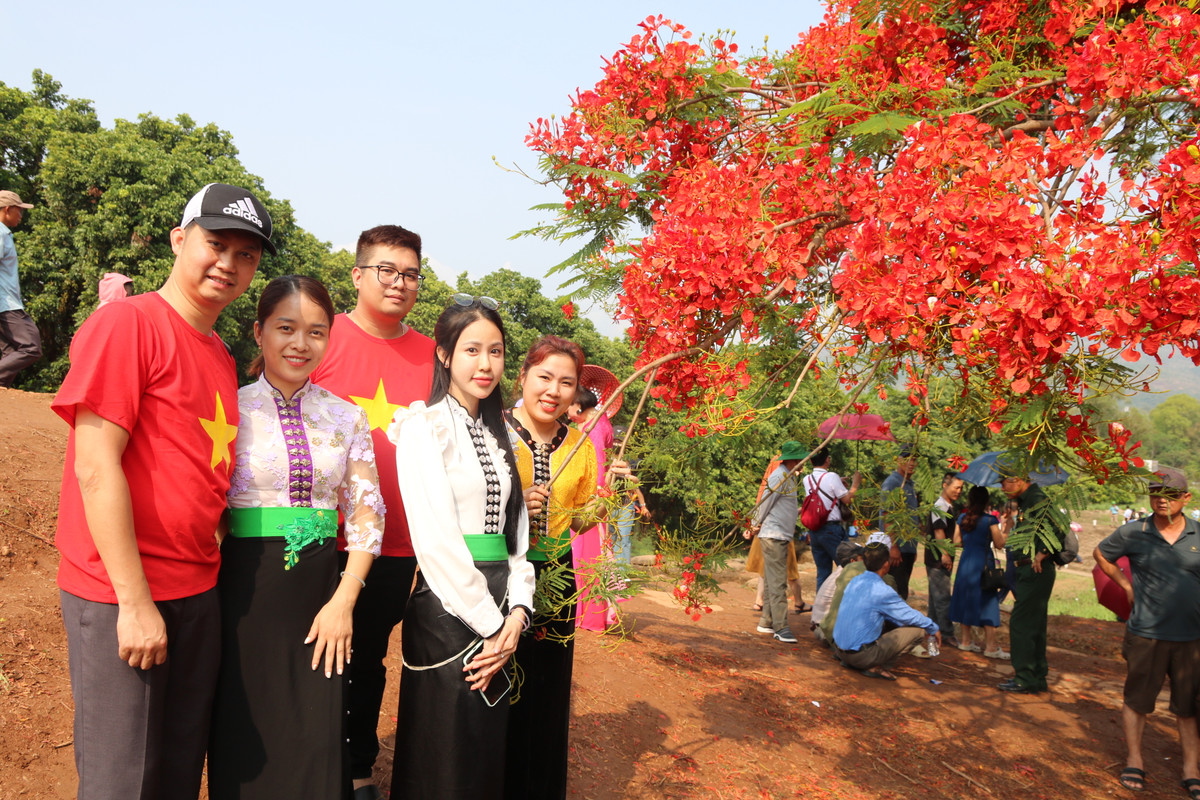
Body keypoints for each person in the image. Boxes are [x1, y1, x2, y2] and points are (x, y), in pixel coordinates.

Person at [52, 182, 273, 800]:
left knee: (175, 772)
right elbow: (95, 467)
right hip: (123, 591)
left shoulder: (220, 355)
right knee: (123, 779)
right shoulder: (128, 324)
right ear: (180, 239)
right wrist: (134, 601)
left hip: (196, 590)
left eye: (246, 254)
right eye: (215, 243)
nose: (228, 263)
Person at [206, 276, 383, 798]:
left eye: (316, 332)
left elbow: (367, 512)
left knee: (316, 737)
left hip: (321, 602)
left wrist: (344, 601)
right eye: (286, 328)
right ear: (259, 332)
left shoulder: (348, 416)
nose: (300, 344)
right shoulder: (228, 408)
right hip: (241, 598)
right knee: (244, 732)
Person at [387, 295, 532, 799]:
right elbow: (438, 543)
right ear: (445, 354)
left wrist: (517, 614)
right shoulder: (423, 428)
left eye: (496, 351)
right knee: (443, 752)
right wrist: (492, 625)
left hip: (500, 609)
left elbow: (518, 540)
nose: (486, 364)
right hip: (449, 610)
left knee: (483, 750)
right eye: (472, 350)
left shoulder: (499, 436)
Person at [308, 224, 435, 800]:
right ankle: (303, 764)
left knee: (366, 659)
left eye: (410, 273)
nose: (399, 283)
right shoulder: (319, 334)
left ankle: (358, 769)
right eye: (386, 269)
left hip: (395, 542)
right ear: (357, 274)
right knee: (305, 652)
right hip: (312, 533)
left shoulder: (434, 355)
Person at [504, 335, 631, 800]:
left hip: (556, 572)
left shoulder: (580, 445)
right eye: (544, 377)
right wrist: (516, 505)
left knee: (547, 682)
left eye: (566, 382)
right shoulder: (493, 432)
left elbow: (579, 520)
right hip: (498, 570)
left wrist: (604, 500)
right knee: (501, 674)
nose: (553, 390)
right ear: (523, 378)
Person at [1094, 467, 1200, 796]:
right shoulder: (1134, 531)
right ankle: (1135, 759)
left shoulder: (1199, 534)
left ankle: (1190, 768)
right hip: (1146, 633)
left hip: (1192, 638)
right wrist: (1126, 584)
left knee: (1188, 706)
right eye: (1155, 493)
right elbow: (1101, 553)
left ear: (1186, 498)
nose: (1161, 500)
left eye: (1169, 495)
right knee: (1138, 700)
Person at [831, 537, 941, 680]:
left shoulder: (855, 580)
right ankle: (875, 666)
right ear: (886, 565)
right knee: (919, 630)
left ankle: (855, 660)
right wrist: (933, 627)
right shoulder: (882, 590)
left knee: (883, 619)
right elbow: (908, 615)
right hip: (861, 657)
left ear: (863, 562)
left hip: (839, 651)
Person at [998, 469, 1068, 693]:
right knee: (1034, 624)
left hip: (1035, 569)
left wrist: (1042, 553)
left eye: (1005, 482)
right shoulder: (1027, 501)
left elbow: (1059, 527)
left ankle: (1025, 677)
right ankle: (1037, 676)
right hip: (1029, 570)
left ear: (1018, 480)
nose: (1002, 487)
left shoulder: (1037, 499)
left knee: (1022, 623)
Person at [748, 440, 806, 644]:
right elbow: (765, 502)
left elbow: (783, 506)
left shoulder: (789, 477)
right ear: (794, 459)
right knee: (778, 582)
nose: (803, 461)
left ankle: (767, 621)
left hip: (780, 535)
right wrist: (754, 524)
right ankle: (781, 627)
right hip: (773, 535)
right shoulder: (779, 476)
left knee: (775, 579)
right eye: (801, 458)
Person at [569, 386, 615, 631]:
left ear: (578, 405)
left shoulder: (593, 426)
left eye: (569, 405)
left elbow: (596, 465)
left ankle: (586, 615)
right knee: (591, 558)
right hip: (598, 496)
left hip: (590, 498)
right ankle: (590, 614)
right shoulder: (603, 422)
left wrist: (589, 497)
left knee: (584, 558)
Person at [949, 486, 1008, 658]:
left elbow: (956, 541)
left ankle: (966, 642)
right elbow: (999, 544)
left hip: (966, 562)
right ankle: (990, 647)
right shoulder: (990, 520)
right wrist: (1007, 528)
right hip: (983, 562)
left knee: (965, 598)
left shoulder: (962, 518)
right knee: (988, 602)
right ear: (986, 501)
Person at [803, 448, 861, 591]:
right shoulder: (832, 476)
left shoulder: (807, 479)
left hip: (815, 530)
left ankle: (820, 610)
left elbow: (822, 491)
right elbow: (847, 500)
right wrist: (855, 484)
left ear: (810, 461)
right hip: (831, 529)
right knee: (849, 565)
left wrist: (838, 482)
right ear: (827, 459)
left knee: (823, 572)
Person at [0, 190, 42, 387]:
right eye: (19, 210)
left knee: (10, 352)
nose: (21, 216)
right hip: (6, 304)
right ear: (7, 209)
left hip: (4, 304)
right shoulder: (0, 232)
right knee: (31, 346)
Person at [926, 474, 964, 646]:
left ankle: (931, 630)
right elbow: (938, 531)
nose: (959, 491)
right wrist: (945, 554)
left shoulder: (948, 506)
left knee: (935, 598)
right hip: (937, 558)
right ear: (944, 485)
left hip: (938, 557)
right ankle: (947, 633)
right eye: (956, 487)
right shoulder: (940, 506)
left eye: (961, 488)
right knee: (942, 597)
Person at [880, 445, 921, 600]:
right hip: (897, 550)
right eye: (907, 459)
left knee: (902, 591)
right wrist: (894, 546)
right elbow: (887, 515)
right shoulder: (893, 483)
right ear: (898, 460)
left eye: (915, 460)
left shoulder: (909, 484)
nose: (911, 463)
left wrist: (913, 548)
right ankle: (891, 625)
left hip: (907, 548)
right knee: (895, 593)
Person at [811, 540, 864, 642]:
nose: (865, 562)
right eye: (862, 559)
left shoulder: (841, 570)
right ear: (853, 561)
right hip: (827, 630)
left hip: (821, 627)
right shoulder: (847, 576)